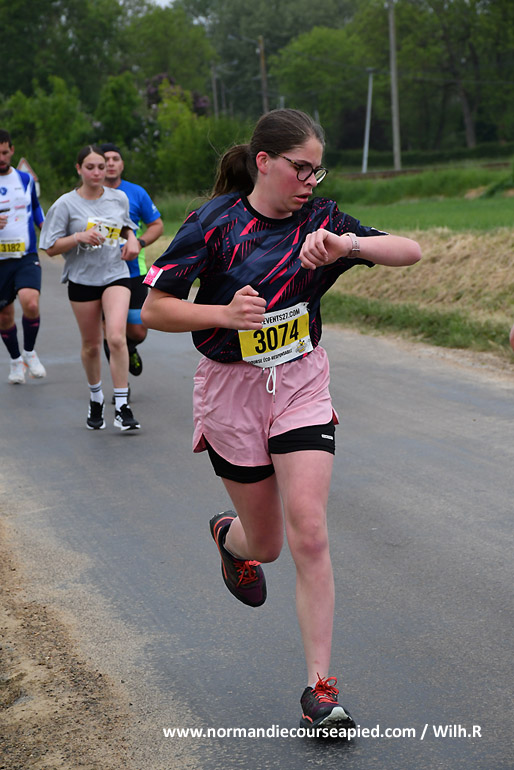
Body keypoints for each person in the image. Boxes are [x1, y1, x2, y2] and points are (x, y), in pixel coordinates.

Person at [141, 109, 422, 729]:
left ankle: (321, 689)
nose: (310, 182)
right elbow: (154, 309)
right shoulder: (215, 223)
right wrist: (221, 315)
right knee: (266, 545)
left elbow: (411, 250)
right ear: (264, 162)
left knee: (310, 532)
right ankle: (230, 538)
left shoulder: (322, 222)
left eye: (318, 171)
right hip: (231, 390)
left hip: (300, 384)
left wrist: (348, 245)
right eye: (301, 168)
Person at [40, 145, 141, 431]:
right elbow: (50, 247)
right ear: (79, 169)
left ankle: (122, 406)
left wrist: (133, 239)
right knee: (92, 345)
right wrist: (79, 237)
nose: (97, 172)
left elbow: (125, 226)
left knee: (116, 338)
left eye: (101, 167)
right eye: (90, 167)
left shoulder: (118, 197)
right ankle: (96, 398)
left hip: (115, 274)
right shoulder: (65, 204)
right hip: (82, 279)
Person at [100, 143, 163, 378]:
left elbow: (156, 225)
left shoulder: (136, 192)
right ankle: (121, 386)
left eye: (115, 159)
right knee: (111, 332)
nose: (110, 163)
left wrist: (140, 242)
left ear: (122, 164)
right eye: (105, 159)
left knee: (138, 330)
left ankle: (130, 348)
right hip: (100, 273)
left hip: (133, 270)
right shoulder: (88, 194)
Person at [0, 129, 46, 384]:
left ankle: (29, 352)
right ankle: (16, 360)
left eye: (5, 152)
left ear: (12, 150)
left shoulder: (25, 179)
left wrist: (47, 229)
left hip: (25, 255)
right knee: (4, 316)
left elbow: (35, 209)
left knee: (31, 303)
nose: (1, 158)